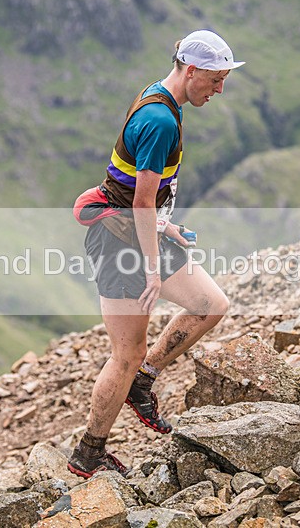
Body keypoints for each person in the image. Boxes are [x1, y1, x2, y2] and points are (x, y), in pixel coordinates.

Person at [67, 30, 243, 477]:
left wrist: (166, 227)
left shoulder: (159, 98)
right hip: (121, 241)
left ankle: (143, 381)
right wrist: (150, 266)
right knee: (125, 353)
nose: (219, 90)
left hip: (140, 230)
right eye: (217, 80)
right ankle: (89, 453)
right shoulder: (161, 120)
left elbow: (141, 198)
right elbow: (141, 199)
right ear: (192, 70)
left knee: (211, 305)